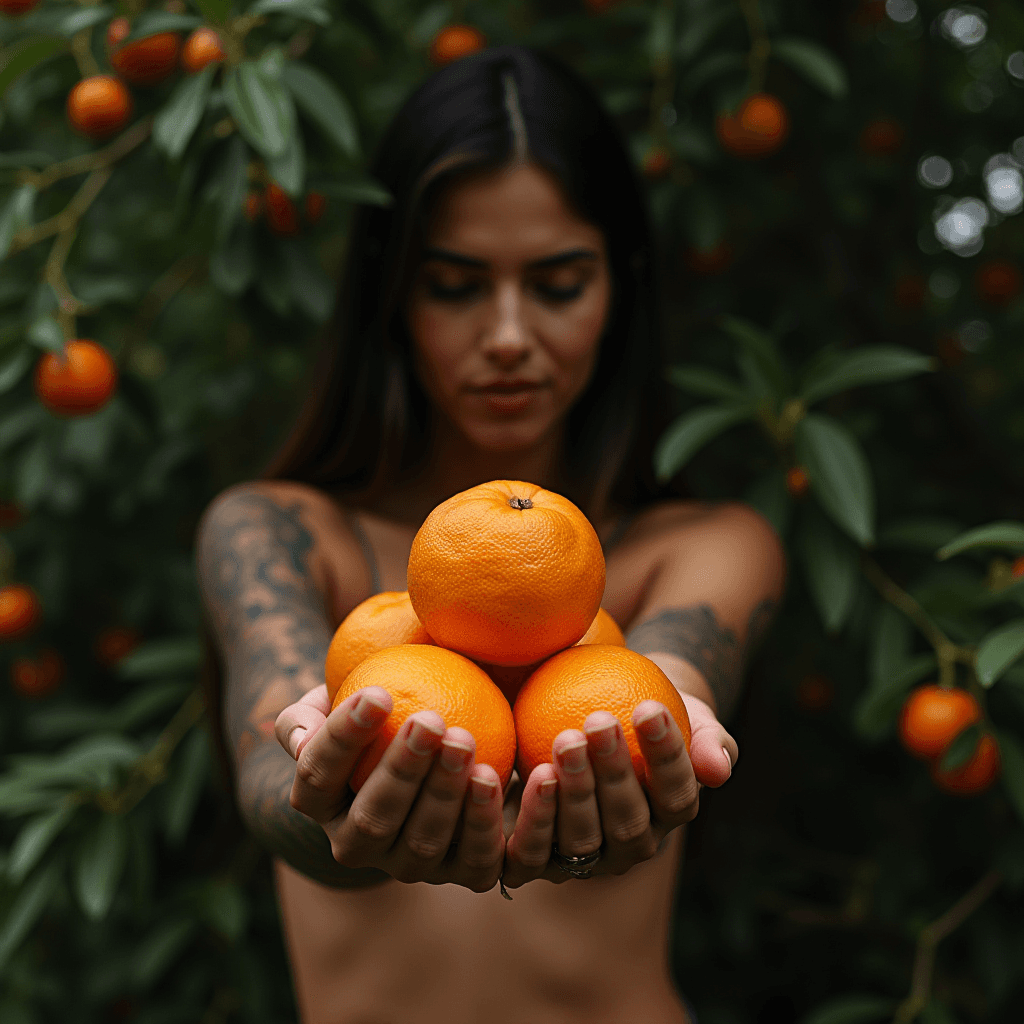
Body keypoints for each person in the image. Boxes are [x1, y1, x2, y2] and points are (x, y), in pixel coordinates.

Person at [196, 45, 785, 1024]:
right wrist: (332, 804)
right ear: (392, 295)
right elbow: (271, 777)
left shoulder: (706, 543)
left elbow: (666, 687)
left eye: (556, 283)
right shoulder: (282, 533)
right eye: (456, 285)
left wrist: (667, 719)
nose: (508, 334)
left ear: (617, 289)